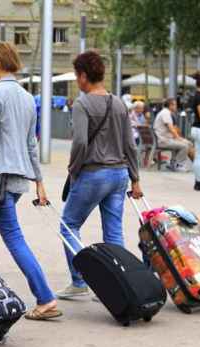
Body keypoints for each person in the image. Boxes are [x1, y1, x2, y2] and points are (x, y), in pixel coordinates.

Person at [0, 42, 61, 321]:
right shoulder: (28, 97)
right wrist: (39, 180)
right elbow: (32, 144)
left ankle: (45, 298)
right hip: (17, 180)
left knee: (14, 238)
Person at [56, 50, 142, 299]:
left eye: (76, 75)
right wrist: (135, 179)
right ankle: (120, 282)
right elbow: (130, 144)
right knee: (113, 231)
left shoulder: (82, 104)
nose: (76, 80)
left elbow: (80, 142)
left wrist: (73, 169)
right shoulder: (118, 102)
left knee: (69, 226)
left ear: (84, 76)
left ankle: (79, 280)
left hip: (94, 174)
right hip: (119, 175)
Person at [153, 98, 194, 171]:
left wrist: (178, 138)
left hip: (163, 139)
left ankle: (173, 163)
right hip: (164, 141)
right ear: (170, 105)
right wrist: (178, 138)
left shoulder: (165, 112)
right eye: (175, 105)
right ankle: (179, 165)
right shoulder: (165, 113)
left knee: (188, 143)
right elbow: (171, 128)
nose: (176, 106)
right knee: (185, 145)